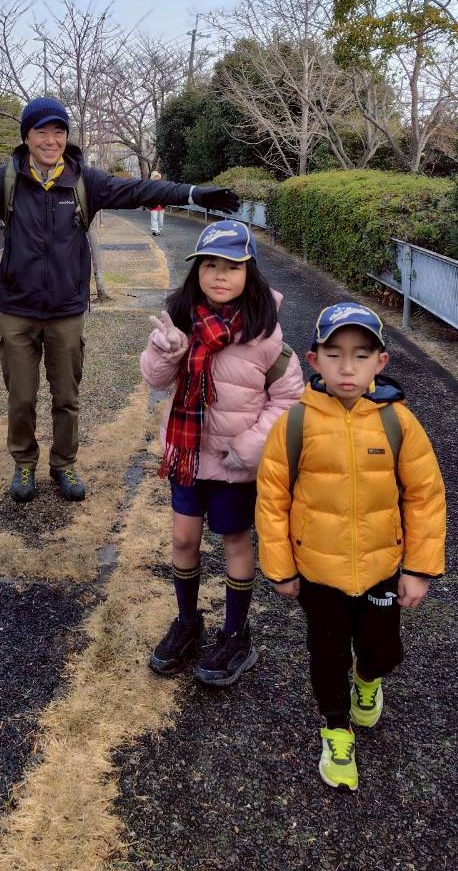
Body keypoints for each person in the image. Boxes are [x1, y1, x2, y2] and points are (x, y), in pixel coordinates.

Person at [0, 97, 240, 504]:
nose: (51, 140)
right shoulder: (5, 181)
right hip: (17, 309)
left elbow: (141, 189)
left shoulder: (84, 181)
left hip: (66, 310)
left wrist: (195, 194)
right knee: (21, 397)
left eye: (58, 131)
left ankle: (64, 464)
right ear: (27, 137)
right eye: (42, 131)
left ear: (66, 137)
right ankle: (24, 462)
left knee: (67, 397)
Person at [255, 303, 446, 791]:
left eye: (361, 355)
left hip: (382, 568)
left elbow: (425, 496)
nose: (347, 367)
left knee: (383, 651)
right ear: (314, 360)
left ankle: (368, 680)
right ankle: (336, 729)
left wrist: (419, 568)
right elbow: (272, 500)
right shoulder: (295, 423)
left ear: (380, 362)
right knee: (327, 654)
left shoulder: (398, 422)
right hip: (318, 573)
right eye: (334, 354)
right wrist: (280, 568)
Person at [141, 219, 304, 686]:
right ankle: (188, 622)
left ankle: (236, 635)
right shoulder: (181, 321)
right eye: (210, 265)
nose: (219, 275)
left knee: (235, 541)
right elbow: (155, 380)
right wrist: (167, 351)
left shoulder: (265, 334)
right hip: (188, 456)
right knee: (183, 540)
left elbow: (290, 399)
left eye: (231, 266)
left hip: (236, 463)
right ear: (197, 272)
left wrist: (251, 448)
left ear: (249, 273)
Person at [148, 170, 165, 236]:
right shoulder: (149, 185)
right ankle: (155, 230)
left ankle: (159, 229)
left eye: (157, 176)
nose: (157, 178)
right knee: (154, 218)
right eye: (155, 176)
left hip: (161, 205)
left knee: (160, 221)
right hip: (153, 205)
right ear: (153, 177)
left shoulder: (161, 185)